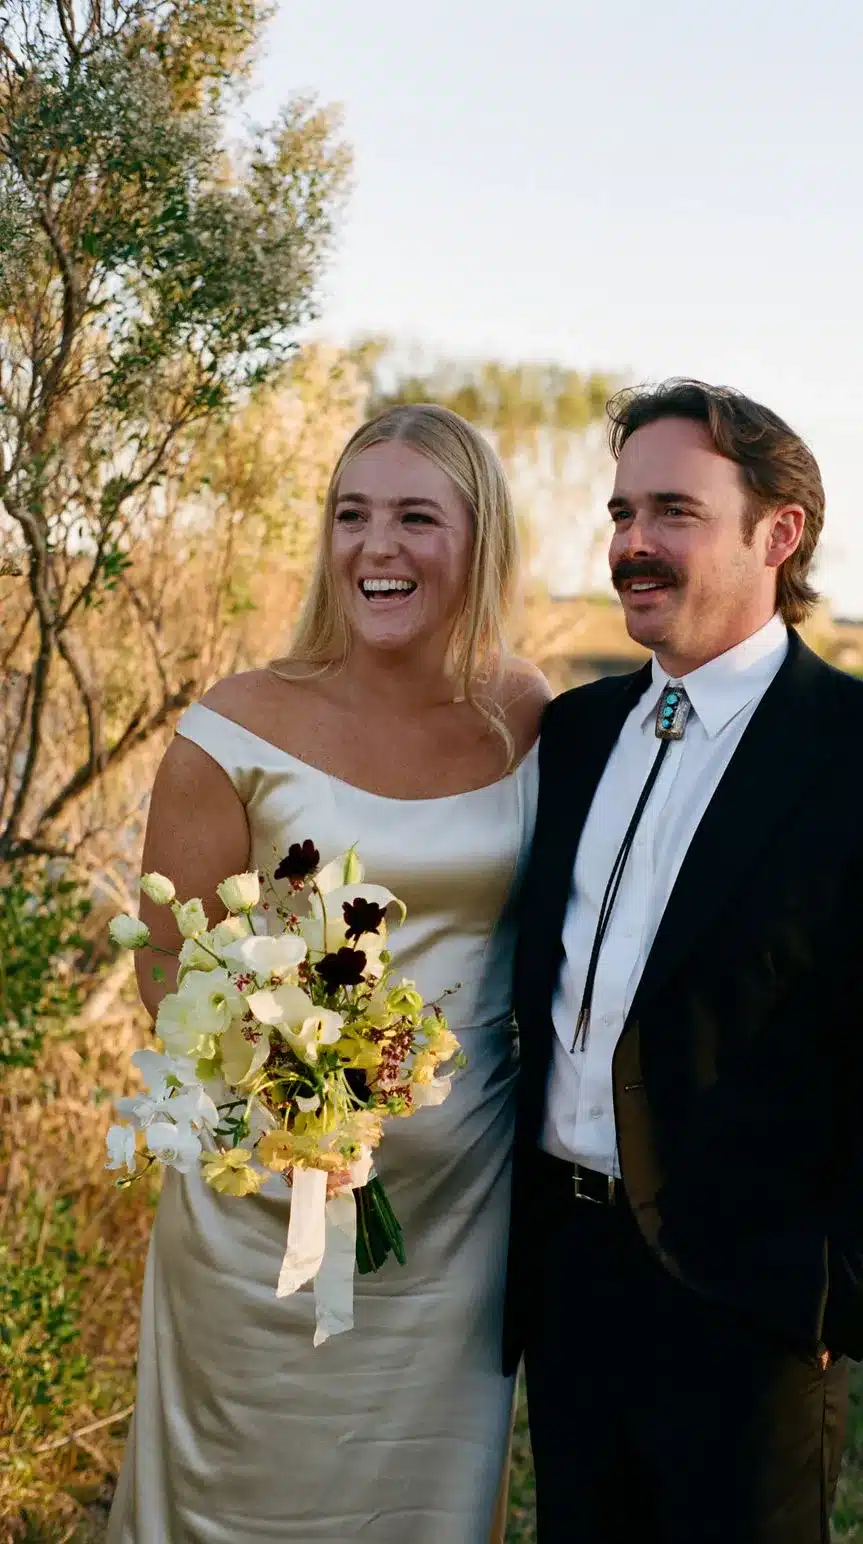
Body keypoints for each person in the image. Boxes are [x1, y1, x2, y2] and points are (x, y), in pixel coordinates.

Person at [506, 379, 863, 1544]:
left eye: (673, 510)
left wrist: (840, 1290)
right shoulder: (574, 734)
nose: (631, 542)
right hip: (565, 1279)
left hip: (752, 1305)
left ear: (777, 534)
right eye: (622, 510)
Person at [107, 403, 549, 1544]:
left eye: (415, 516)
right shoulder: (236, 728)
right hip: (260, 1223)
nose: (376, 547)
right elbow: (170, 973)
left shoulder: (529, 719)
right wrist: (290, 1093)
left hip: (458, 1228)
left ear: (479, 538)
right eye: (352, 516)